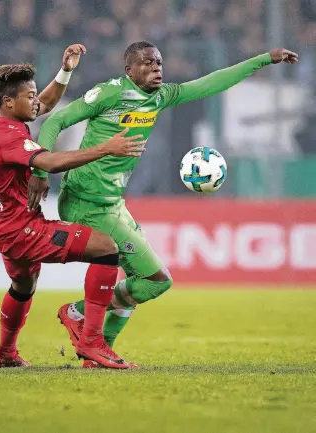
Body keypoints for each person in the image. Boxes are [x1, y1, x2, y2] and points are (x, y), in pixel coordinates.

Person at [29, 41, 298, 367]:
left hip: (112, 202)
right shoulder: (110, 93)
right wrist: (40, 168)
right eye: (147, 63)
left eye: (158, 62)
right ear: (129, 70)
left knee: (134, 282)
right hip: (87, 202)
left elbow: (209, 83)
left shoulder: (160, 96)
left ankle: (98, 352)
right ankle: (77, 313)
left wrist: (262, 59)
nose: (157, 68)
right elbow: (56, 121)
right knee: (157, 281)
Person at [0, 44, 146, 369]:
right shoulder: (10, 138)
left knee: (23, 284)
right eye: (29, 96)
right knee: (105, 247)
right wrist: (106, 148)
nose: (36, 101)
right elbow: (52, 161)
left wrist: (65, 71)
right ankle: (92, 341)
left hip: (0, 222)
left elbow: (47, 101)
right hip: (20, 229)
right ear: (9, 101)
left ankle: (4, 353)